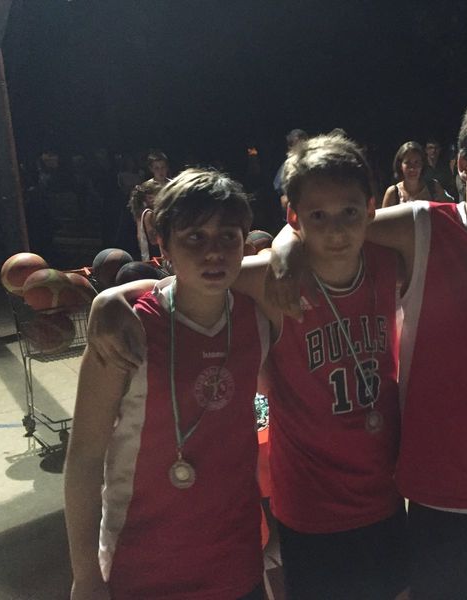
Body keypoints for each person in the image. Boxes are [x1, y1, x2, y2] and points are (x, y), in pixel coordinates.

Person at [85, 135, 409, 600]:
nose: (336, 230)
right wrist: (111, 297)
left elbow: (445, 222)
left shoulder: (390, 261)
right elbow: (195, 278)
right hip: (311, 506)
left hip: (384, 491)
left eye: (349, 213)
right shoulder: (267, 281)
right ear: (293, 215)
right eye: (317, 216)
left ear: (371, 208)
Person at [269, 88, 467, 600]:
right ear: (463, 164)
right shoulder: (423, 226)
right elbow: (334, 222)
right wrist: (285, 246)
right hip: (435, 489)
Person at [64, 169, 266, 599]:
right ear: (163, 244)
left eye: (227, 237)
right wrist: (85, 575)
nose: (214, 252)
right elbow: (84, 457)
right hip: (143, 570)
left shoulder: (259, 316)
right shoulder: (127, 330)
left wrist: (107, 295)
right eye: (194, 237)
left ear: (245, 244)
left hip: (237, 562)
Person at [381, 141, 449, 207]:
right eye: (407, 163)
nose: (412, 168)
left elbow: (449, 210)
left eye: (416, 162)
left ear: (422, 164)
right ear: (400, 165)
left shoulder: (434, 188)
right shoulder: (393, 193)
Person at [273, 128, 309, 214]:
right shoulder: (288, 164)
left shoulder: (313, 161)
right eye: (297, 144)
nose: (300, 147)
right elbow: (279, 187)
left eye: (303, 144)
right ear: (290, 147)